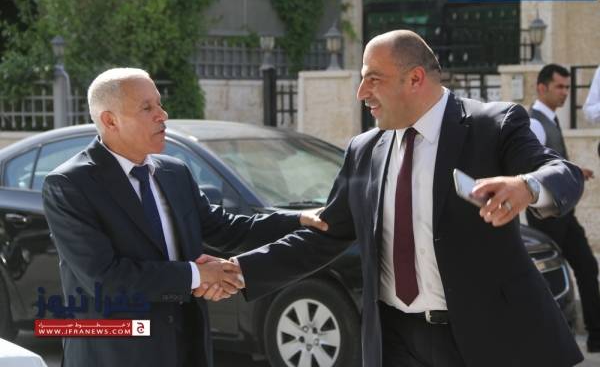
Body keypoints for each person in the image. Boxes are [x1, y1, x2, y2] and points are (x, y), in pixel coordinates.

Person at [204, 31, 586, 367]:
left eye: (373, 79)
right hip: (396, 342)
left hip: (485, 339)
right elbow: (327, 234)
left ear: (415, 78)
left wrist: (526, 186)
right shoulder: (364, 150)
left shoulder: (492, 125)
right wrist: (240, 270)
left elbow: (563, 172)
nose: (361, 93)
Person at [41, 68, 327, 367]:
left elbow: (224, 229)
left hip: (186, 346)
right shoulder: (70, 184)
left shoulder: (174, 172)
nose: (162, 115)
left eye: (159, 103)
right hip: (115, 355)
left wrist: (298, 219)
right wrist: (198, 275)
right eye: (147, 108)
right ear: (110, 120)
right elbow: (106, 279)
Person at [528, 63, 600, 352]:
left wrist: (573, 171)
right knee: (548, 278)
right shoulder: (535, 123)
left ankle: (596, 336)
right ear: (541, 87)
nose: (565, 93)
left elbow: (550, 162)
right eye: (559, 86)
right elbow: (532, 169)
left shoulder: (551, 120)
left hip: (564, 214)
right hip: (546, 216)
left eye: (568, 87)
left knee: (586, 266)